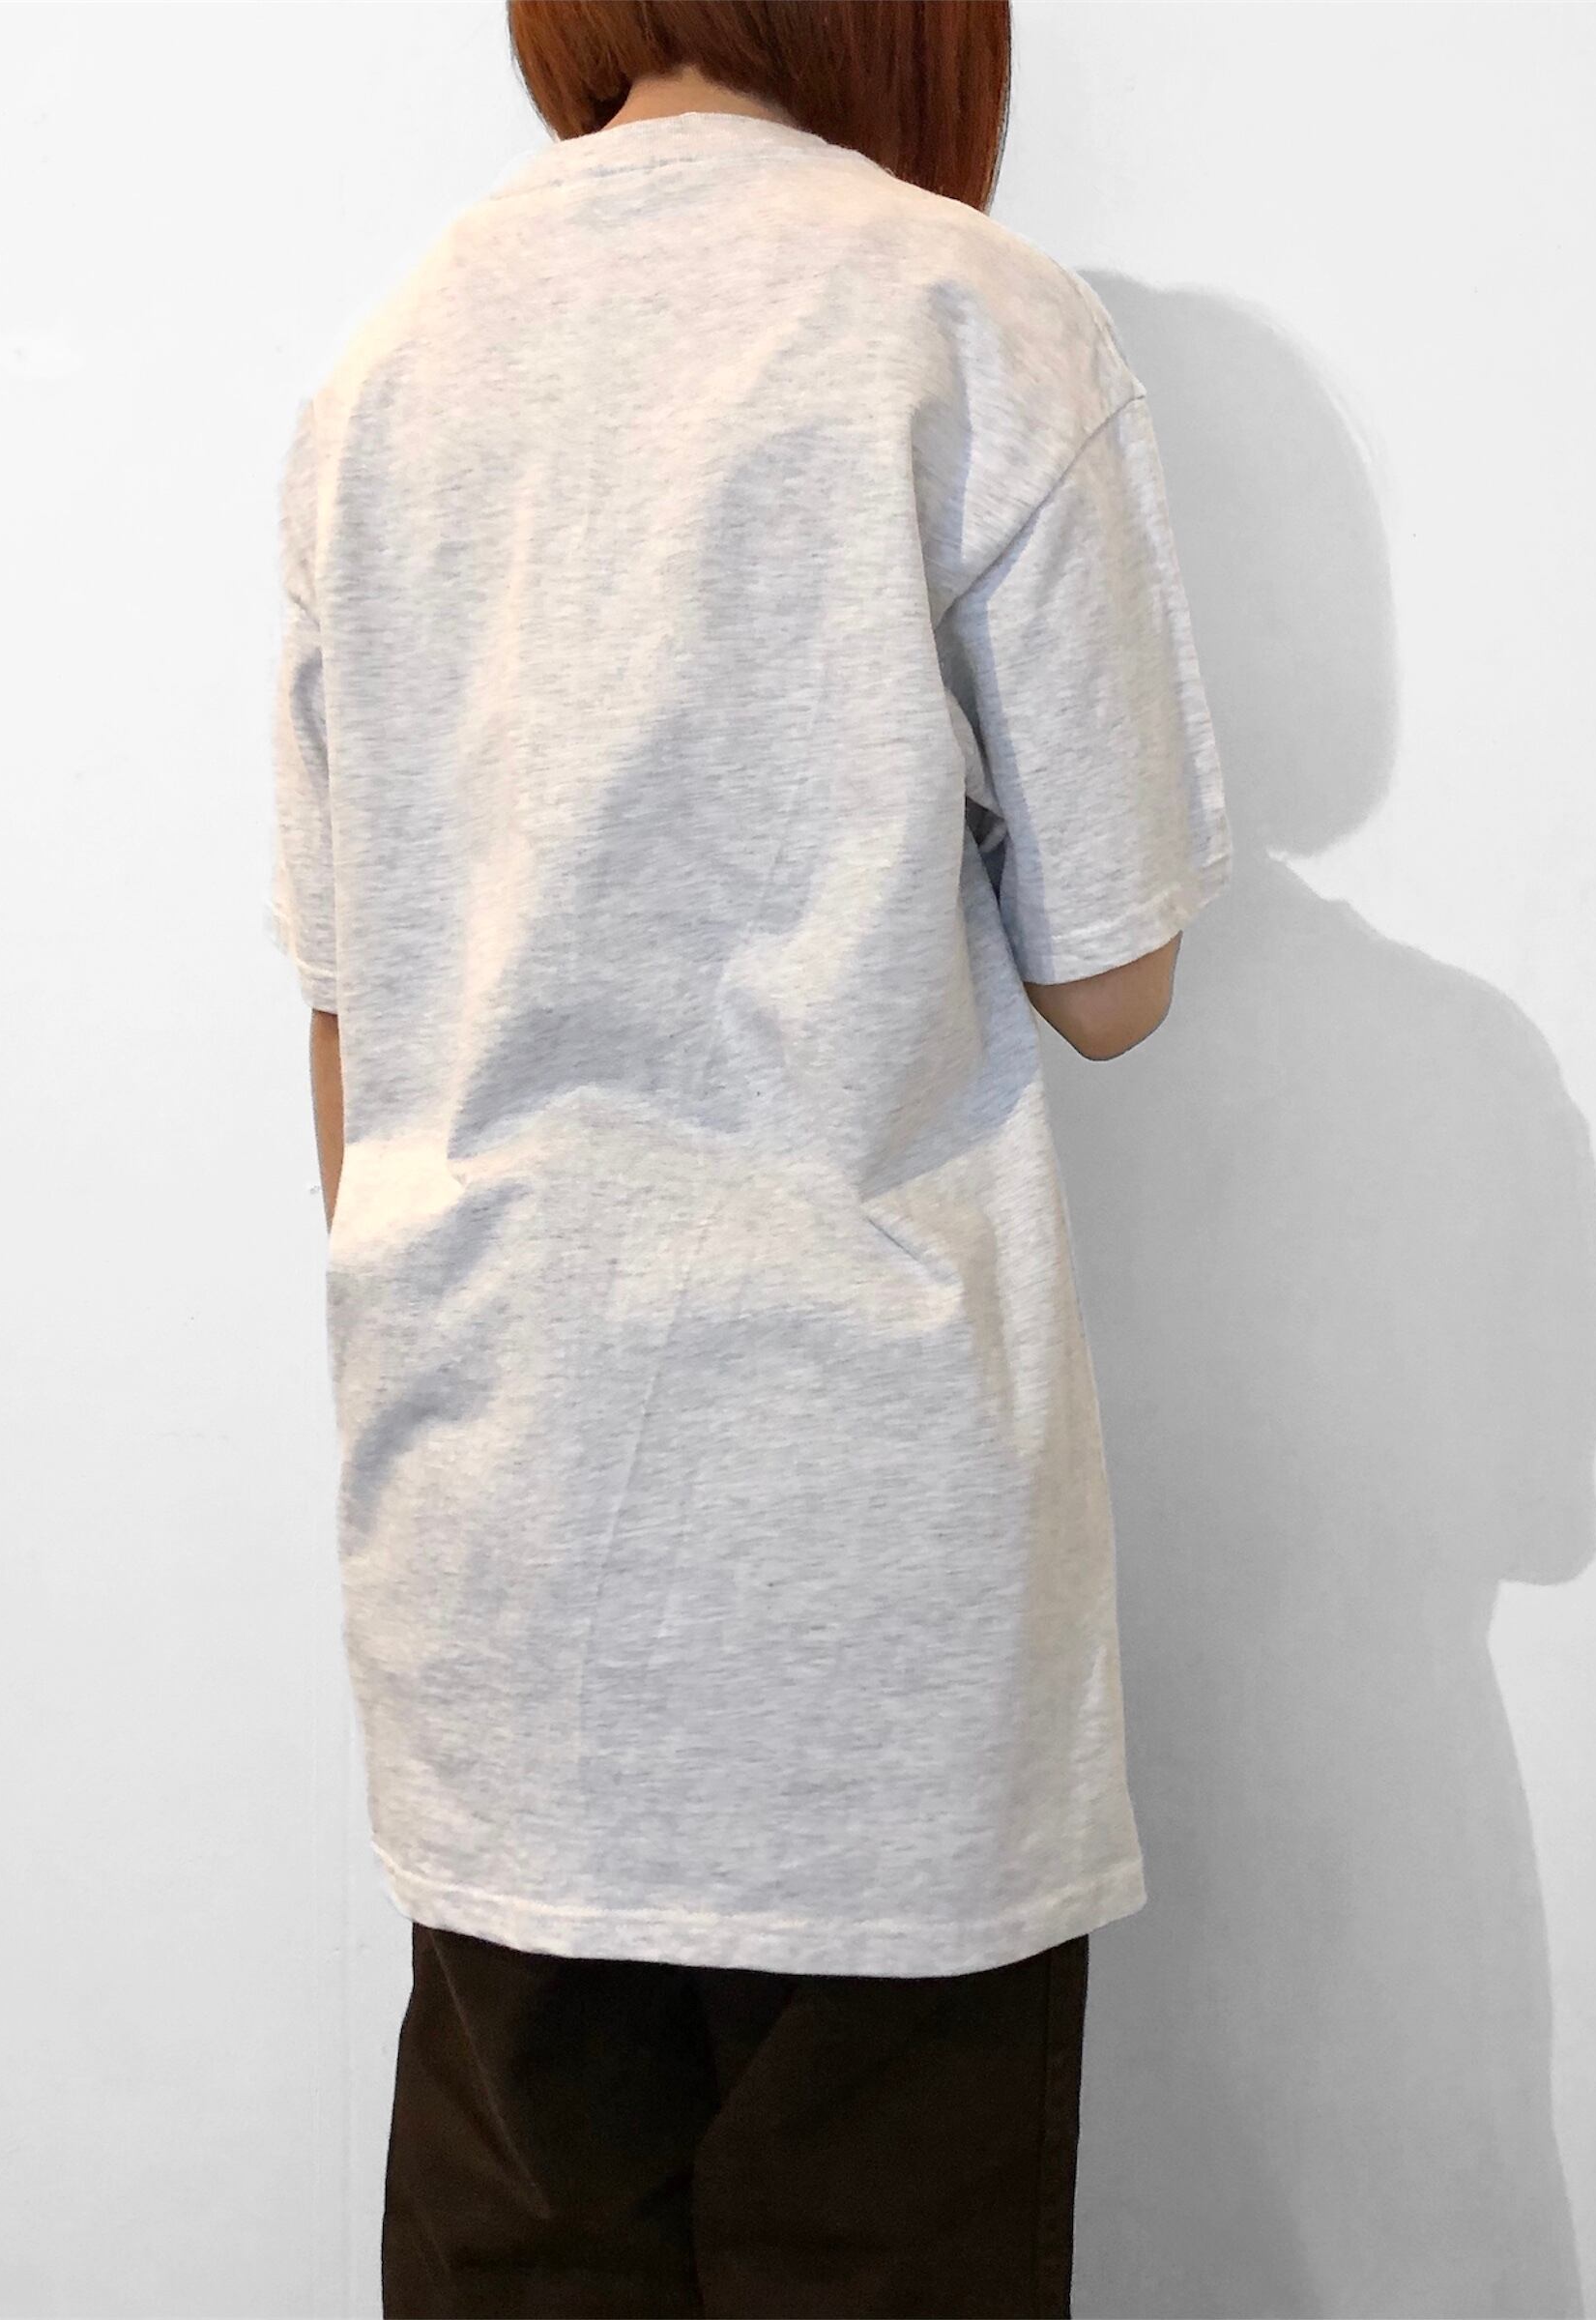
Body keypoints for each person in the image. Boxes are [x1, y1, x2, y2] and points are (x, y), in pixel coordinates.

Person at [266, 4, 1231, 2310]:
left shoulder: (388, 364)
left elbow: (351, 1024)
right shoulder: (967, 317)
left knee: (526, 2250)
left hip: (493, 1521)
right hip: (868, 1553)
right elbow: (1114, 980)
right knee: (882, 2246)